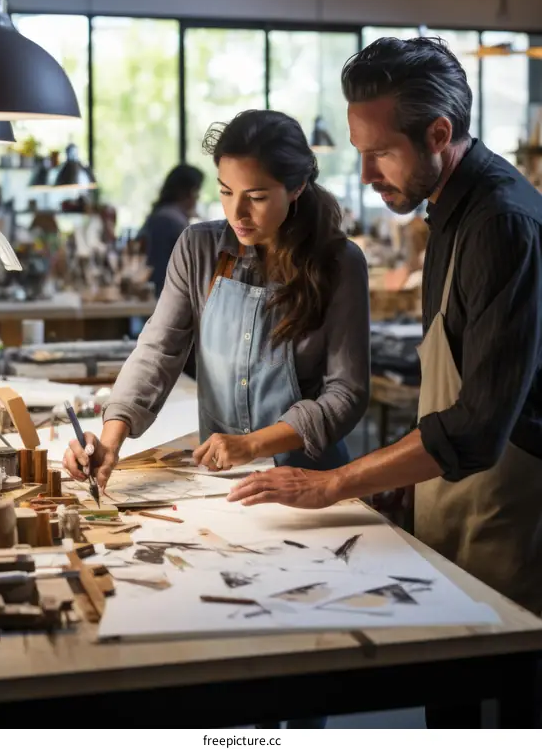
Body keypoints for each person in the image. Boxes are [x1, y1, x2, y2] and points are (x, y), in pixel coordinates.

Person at [228, 38, 542, 727]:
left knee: (502, 718)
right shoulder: (448, 209)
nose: (364, 173)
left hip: (509, 518)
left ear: (439, 133)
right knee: (451, 710)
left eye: (379, 152)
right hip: (456, 502)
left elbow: (483, 423)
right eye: (357, 150)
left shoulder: (500, 222)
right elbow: (454, 379)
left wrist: (336, 481)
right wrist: (403, 470)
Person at [64, 109, 370, 727]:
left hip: (307, 488)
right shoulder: (202, 246)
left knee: (295, 656)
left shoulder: (339, 262)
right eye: (227, 192)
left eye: (257, 197)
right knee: (222, 647)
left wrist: (257, 443)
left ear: (298, 187)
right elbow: (159, 348)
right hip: (220, 488)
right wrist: (112, 436)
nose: (239, 212)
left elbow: (346, 394)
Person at [139, 164, 205, 298]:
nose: (197, 198)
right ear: (186, 192)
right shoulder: (172, 220)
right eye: (196, 192)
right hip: (167, 295)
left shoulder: (160, 215)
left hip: (157, 293)